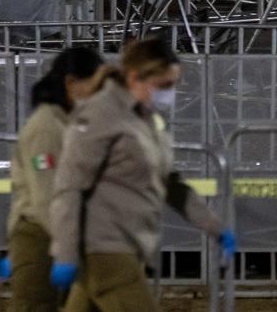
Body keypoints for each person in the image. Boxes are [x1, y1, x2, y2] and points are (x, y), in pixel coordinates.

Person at [47, 38, 236, 311]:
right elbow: (70, 186)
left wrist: (214, 227)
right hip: (104, 247)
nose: (169, 95)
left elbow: (171, 183)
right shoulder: (100, 113)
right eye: (164, 86)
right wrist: (65, 253)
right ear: (135, 77)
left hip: (125, 244)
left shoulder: (143, 119)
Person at [6, 47, 105, 312]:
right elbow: (46, 195)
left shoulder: (68, 123)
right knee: (35, 305)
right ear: (71, 83)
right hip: (41, 234)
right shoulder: (46, 127)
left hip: (63, 231)